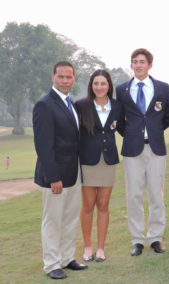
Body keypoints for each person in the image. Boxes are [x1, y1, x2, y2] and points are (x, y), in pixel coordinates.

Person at [33, 61, 88, 280]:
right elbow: (43, 146)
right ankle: (52, 264)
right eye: (61, 77)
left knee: (70, 219)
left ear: (74, 78)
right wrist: (53, 177)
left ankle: (66, 258)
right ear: (53, 77)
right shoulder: (45, 105)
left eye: (69, 77)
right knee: (52, 221)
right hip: (55, 176)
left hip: (73, 172)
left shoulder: (70, 103)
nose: (65, 81)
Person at [116, 48, 169, 256]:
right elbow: (119, 119)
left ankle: (156, 237)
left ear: (150, 64)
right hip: (132, 149)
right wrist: (132, 133)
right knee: (134, 195)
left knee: (157, 194)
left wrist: (154, 132)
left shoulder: (162, 88)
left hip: (156, 147)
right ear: (131, 65)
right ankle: (138, 239)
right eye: (135, 61)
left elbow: (167, 117)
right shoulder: (122, 90)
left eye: (142, 61)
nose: (138, 65)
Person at [75, 69, 122, 262]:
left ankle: (101, 248)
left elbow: (125, 128)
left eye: (103, 84)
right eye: (96, 84)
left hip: (108, 161)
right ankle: (87, 247)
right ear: (91, 85)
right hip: (88, 161)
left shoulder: (118, 106)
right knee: (88, 206)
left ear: (109, 85)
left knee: (103, 205)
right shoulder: (81, 106)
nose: (100, 87)